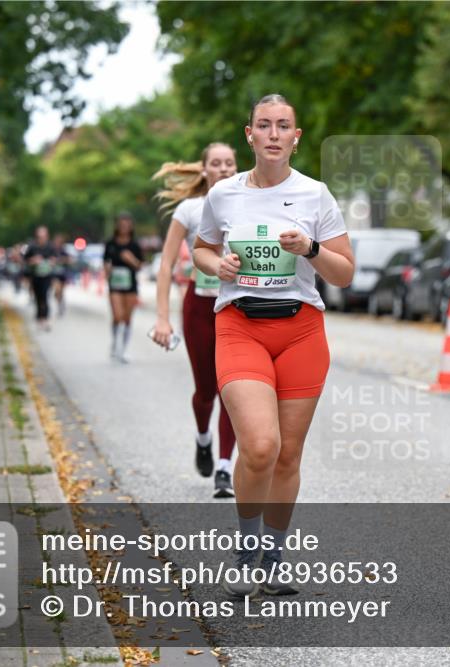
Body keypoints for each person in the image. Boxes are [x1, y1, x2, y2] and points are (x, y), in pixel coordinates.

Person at [193, 94, 354, 596]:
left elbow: (345, 274)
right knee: (260, 446)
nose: (274, 134)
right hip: (240, 326)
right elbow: (202, 247)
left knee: (288, 456)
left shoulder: (316, 195)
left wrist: (310, 248)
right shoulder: (224, 195)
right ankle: (245, 550)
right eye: (264, 125)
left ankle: (272, 559)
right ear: (250, 135)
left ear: (296, 136)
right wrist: (215, 265)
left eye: (284, 126)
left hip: (301, 329)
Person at [151, 144, 239, 498]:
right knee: (206, 392)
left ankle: (223, 467)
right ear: (204, 170)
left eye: (229, 163)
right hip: (199, 310)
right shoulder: (189, 210)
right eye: (215, 164)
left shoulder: (251, 202)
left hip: (237, 310)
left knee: (232, 390)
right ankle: (204, 438)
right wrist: (162, 319)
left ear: (237, 168)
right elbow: (165, 265)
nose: (223, 169)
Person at [104, 213, 144, 363]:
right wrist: (107, 269)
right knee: (117, 316)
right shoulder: (110, 244)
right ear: (117, 226)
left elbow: (140, 265)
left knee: (127, 318)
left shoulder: (135, 245)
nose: (124, 227)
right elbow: (105, 262)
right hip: (115, 284)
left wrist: (131, 259)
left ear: (131, 226)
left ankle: (124, 349)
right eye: (121, 224)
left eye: (127, 224)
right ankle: (115, 343)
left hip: (130, 285)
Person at [23, 226, 58, 330]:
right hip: (35, 275)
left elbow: (55, 259)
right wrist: (33, 260)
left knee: (45, 295)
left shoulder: (50, 247)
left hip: (47, 276)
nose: (41, 238)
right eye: (39, 236)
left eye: (43, 236)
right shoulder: (32, 247)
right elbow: (25, 260)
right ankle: (39, 317)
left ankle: (45, 317)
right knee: (38, 296)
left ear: (47, 236)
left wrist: (51, 261)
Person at [51, 233, 71, 317]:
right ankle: (60, 304)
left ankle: (61, 304)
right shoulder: (51, 251)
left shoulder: (64, 251)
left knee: (61, 292)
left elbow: (69, 260)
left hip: (62, 274)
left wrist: (61, 260)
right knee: (57, 291)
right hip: (54, 274)